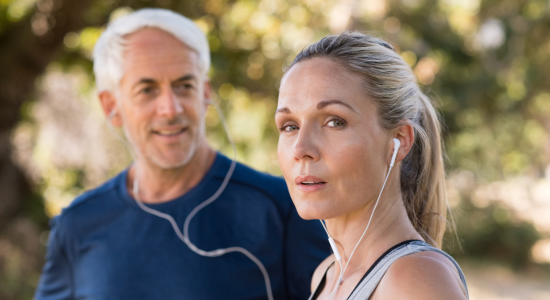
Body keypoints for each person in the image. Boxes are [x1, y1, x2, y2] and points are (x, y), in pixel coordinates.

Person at [35, 8, 329, 300]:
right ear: (111, 107)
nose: (171, 108)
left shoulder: (284, 208)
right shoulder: (77, 224)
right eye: (147, 90)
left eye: (183, 85)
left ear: (204, 93)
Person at [275, 32, 469, 300]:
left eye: (334, 122)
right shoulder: (327, 275)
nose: (300, 149)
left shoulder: (416, 280)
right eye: (290, 126)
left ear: (399, 140)